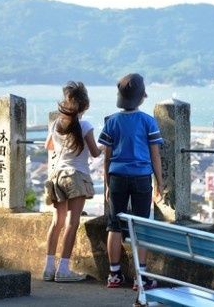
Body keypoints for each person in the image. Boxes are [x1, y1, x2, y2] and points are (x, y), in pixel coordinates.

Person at [98, 73, 164, 290]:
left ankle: (114, 274)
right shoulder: (148, 122)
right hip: (141, 177)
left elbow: (106, 157)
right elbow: (155, 155)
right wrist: (160, 182)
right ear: (142, 97)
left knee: (114, 226)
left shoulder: (111, 121)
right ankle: (140, 276)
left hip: (116, 176)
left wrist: (107, 183)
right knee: (141, 226)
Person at [42, 81, 101, 282]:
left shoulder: (55, 124)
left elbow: (48, 145)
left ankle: (48, 268)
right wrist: (106, 146)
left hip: (57, 175)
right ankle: (64, 269)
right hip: (76, 176)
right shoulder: (85, 126)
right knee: (72, 223)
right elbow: (94, 153)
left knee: (57, 222)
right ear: (85, 106)